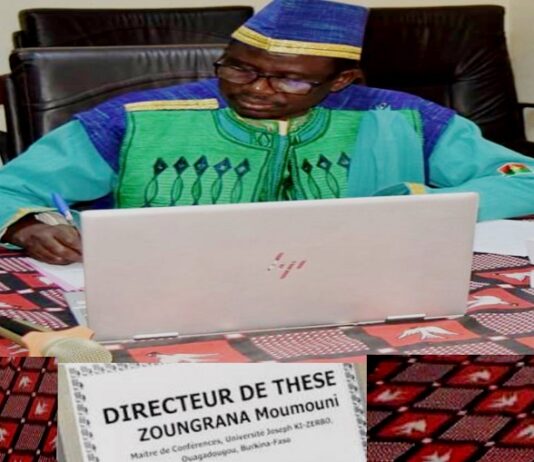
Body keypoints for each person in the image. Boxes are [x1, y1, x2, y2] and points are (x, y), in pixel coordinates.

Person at [1, 0, 534, 265]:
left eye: (291, 79)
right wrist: (27, 223)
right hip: (175, 286)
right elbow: (10, 187)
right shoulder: (137, 118)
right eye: (239, 68)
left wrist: (415, 205)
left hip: (353, 289)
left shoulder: (400, 119)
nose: (256, 89)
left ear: (342, 80)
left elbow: (522, 178)